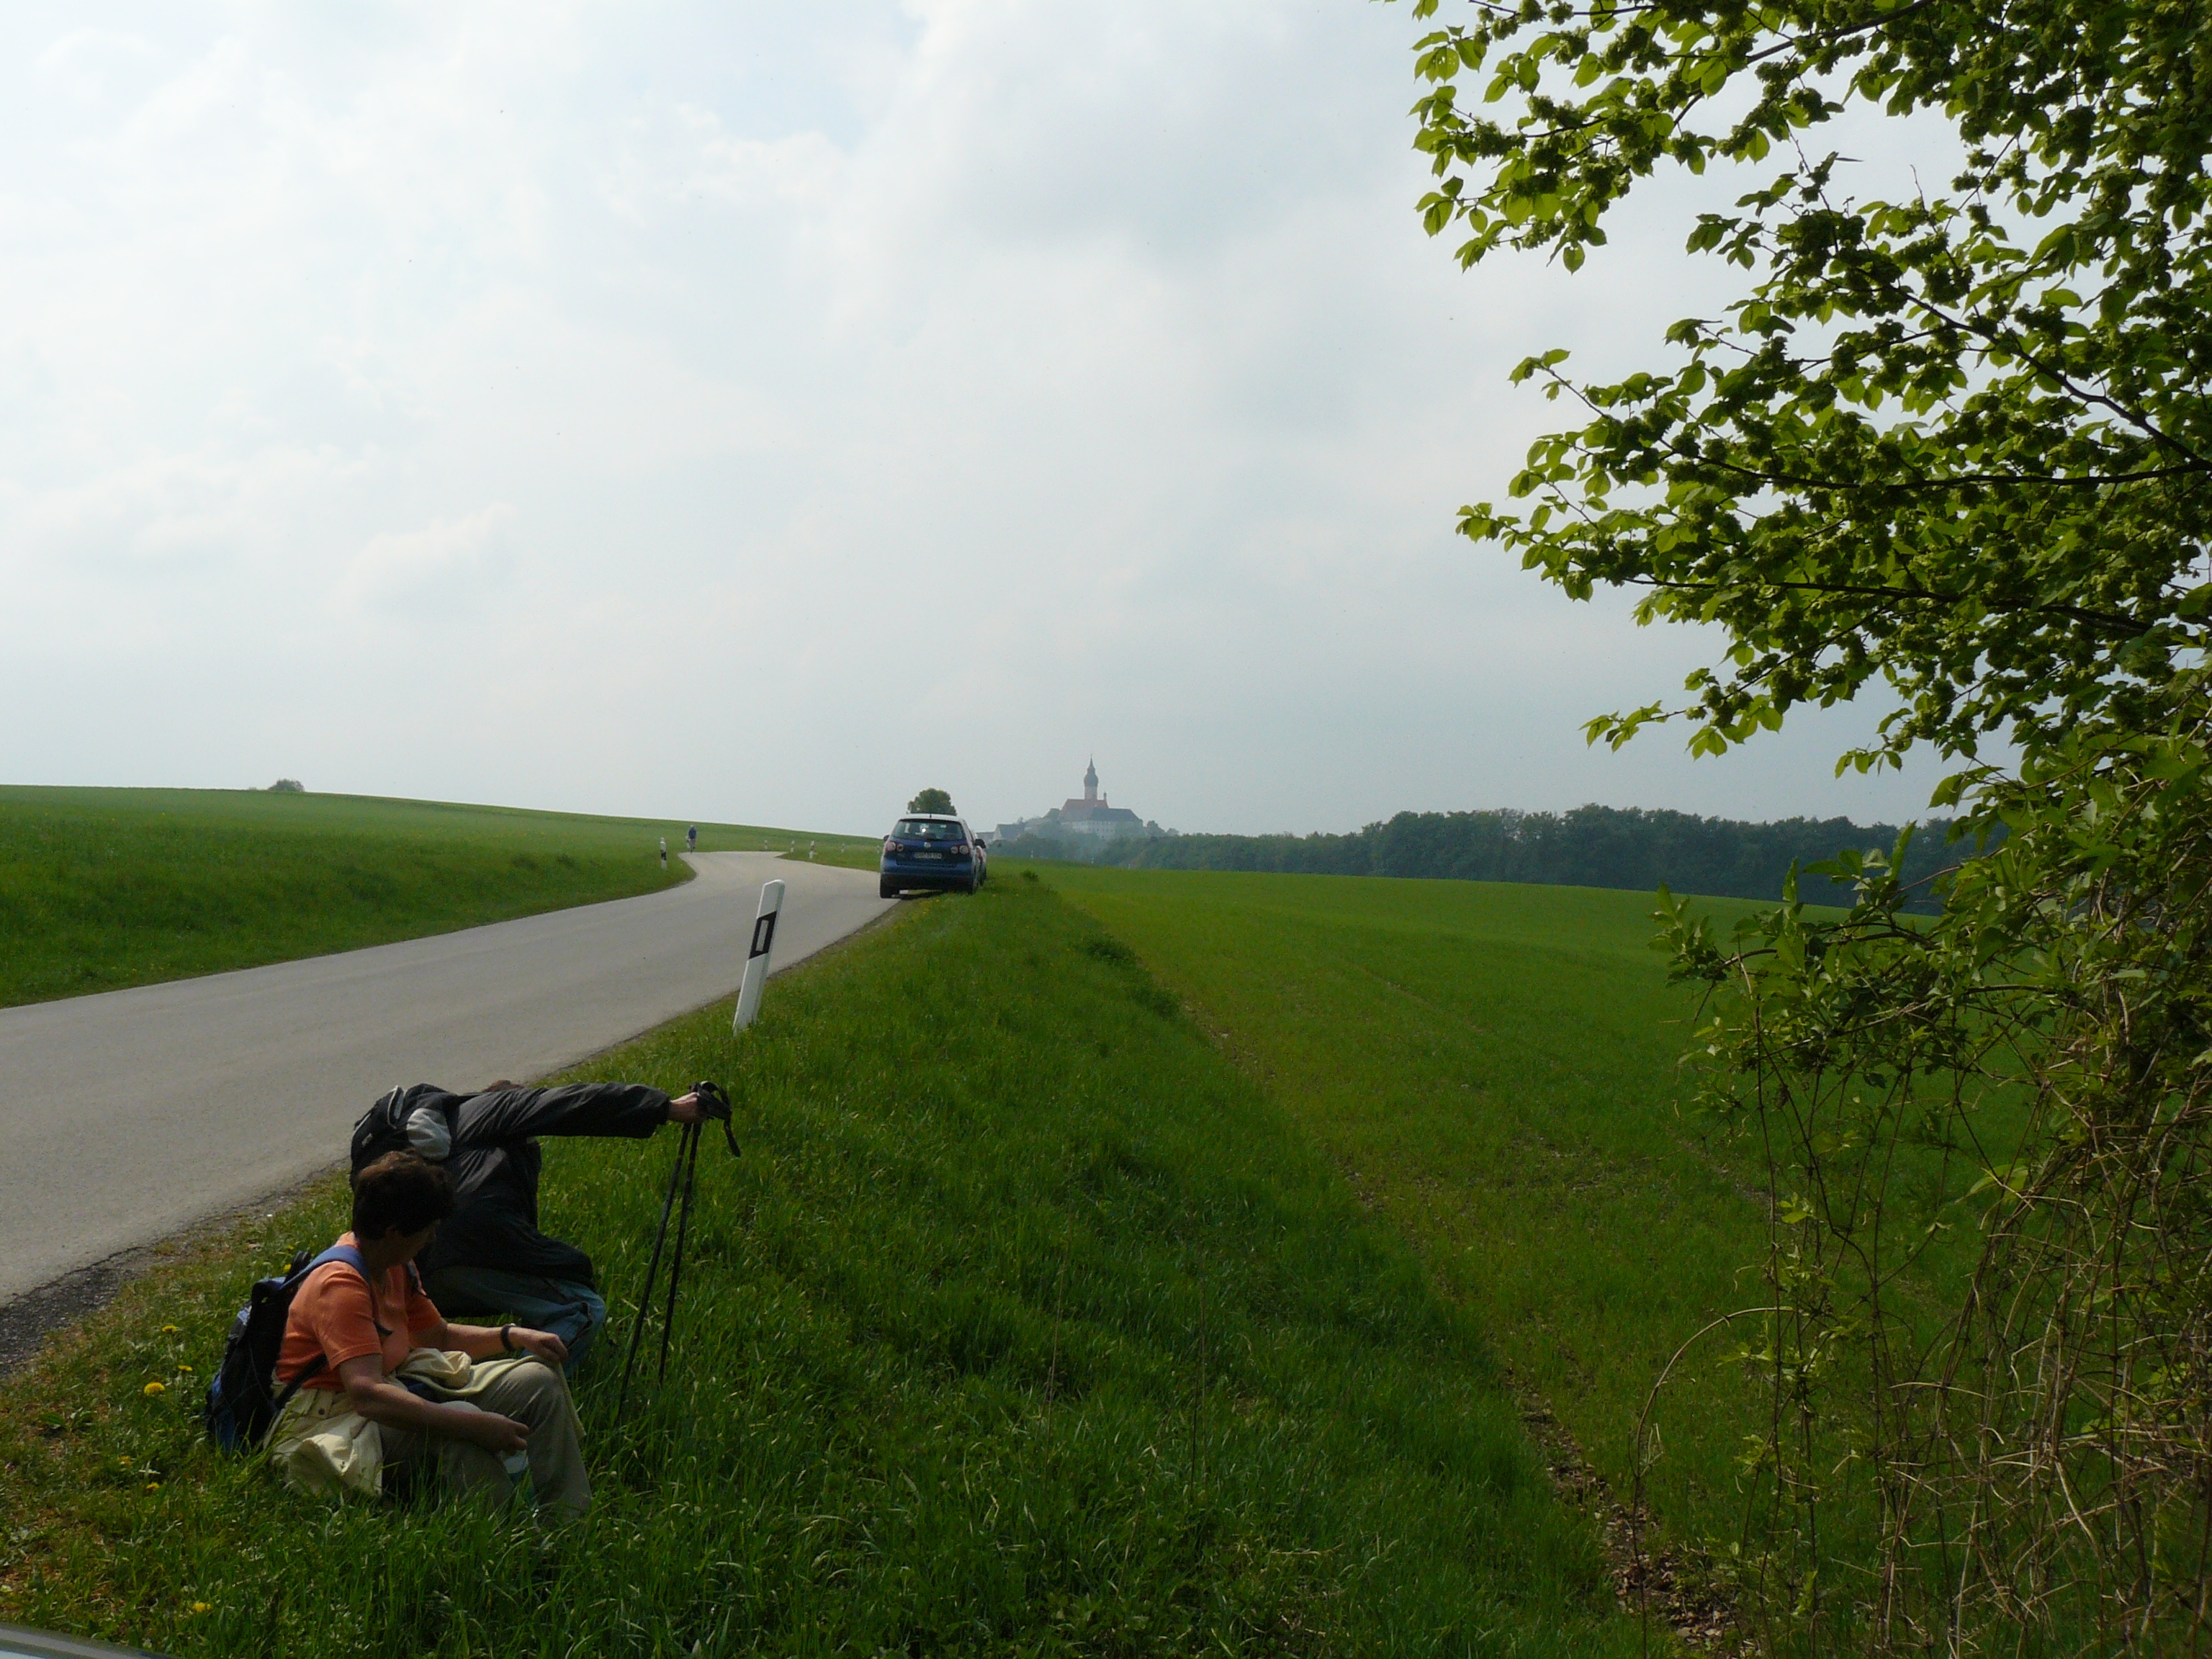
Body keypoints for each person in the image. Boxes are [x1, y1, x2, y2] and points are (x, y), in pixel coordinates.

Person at [268, 1151, 591, 1512]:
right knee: (458, 1429)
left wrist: (512, 1335)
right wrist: (472, 1425)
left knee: (537, 1381)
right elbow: (367, 1395)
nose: (433, 1237)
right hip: (334, 1418)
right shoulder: (340, 1285)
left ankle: (568, 1519)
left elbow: (438, 1337)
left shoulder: (394, 1264)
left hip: (393, 1388)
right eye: (427, 1230)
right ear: (393, 1232)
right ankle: (511, 1538)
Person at [349, 1080, 713, 1370]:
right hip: (473, 1243)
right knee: (580, 1308)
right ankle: (521, 1395)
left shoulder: (428, 1134)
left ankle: (441, 1398)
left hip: (407, 1263)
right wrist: (664, 1108)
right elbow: (572, 1102)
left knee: (445, 1327)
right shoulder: (494, 1109)